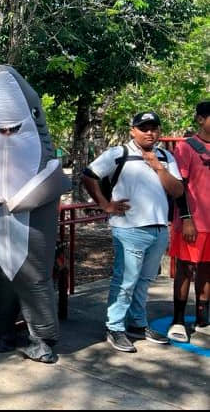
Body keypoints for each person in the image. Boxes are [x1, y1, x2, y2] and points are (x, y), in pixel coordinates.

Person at [83, 111, 184, 353]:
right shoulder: (119, 154)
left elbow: (178, 191)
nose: (150, 132)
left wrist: (158, 167)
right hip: (129, 229)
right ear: (133, 131)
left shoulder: (165, 156)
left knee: (144, 280)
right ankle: (115, 326)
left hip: (159, 228)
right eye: (144, 128)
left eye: (154, 128)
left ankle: (137, 323)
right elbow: (89, 175)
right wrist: (104, 204)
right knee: (125, 281)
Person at [167, 100, 210, 342]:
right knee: (185, 269)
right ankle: (179, 320)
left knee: (208, 269)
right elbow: (179, 186)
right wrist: (186, 218)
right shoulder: (186, 148)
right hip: (192, 221)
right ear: (201, 119)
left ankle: (203, 318)